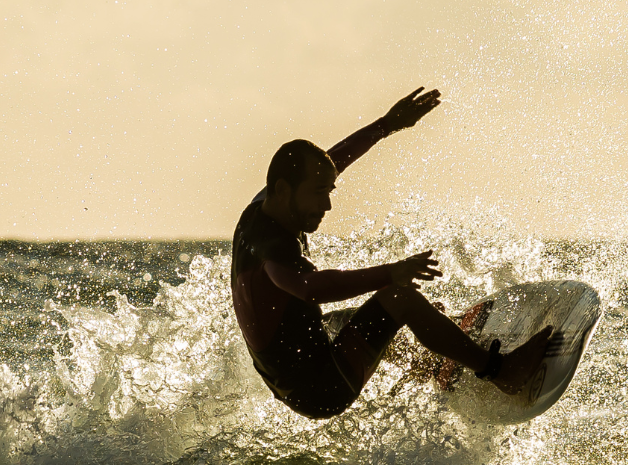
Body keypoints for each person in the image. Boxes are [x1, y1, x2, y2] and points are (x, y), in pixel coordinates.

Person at [230, 87, 551, 419]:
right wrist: (391, 273)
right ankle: (501, 371)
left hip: (295, 375)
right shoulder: (272, 248)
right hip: (321, 387)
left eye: (329, 190)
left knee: (352, 317)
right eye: (318, 193)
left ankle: (433, 361)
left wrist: (386, 125)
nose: (326, 204)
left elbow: (333, 160)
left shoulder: (264, 207)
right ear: (284, 190)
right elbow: (310, 288)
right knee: (400, 298)